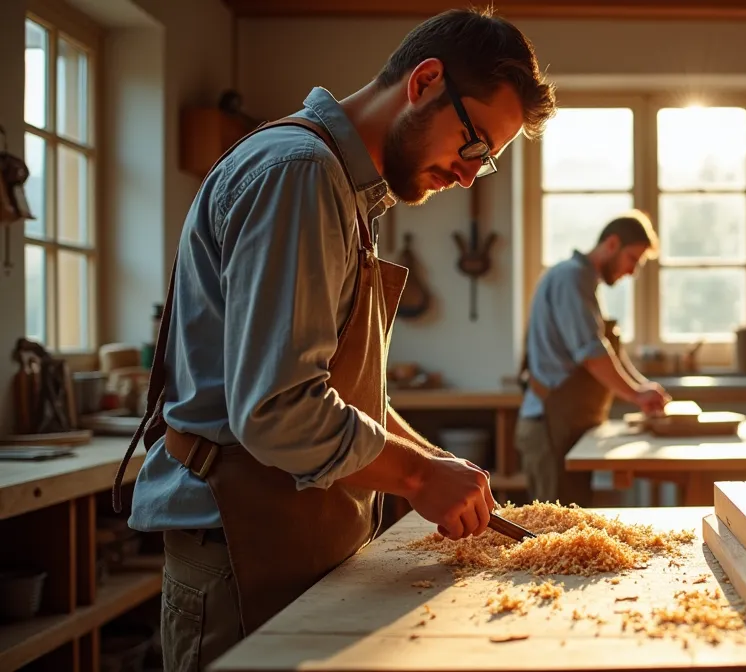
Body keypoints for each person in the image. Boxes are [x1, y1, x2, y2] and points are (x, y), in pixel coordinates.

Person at [110, 8, 557, 669]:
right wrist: (415, 473)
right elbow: (279, 410)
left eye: (484, 162)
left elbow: (342, 391)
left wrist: (438, 465)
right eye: (473, 145)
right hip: (242, 547)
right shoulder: (301, 172)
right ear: (426, 81)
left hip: (285, 534)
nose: (468, 175)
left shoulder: (344, 187)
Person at [517, 211, 671, 508]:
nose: (633, 271)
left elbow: (607, 350)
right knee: (556, 534)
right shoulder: (571, 277)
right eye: (633, 259)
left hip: (567, 424)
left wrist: (642, 386)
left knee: (571, 523)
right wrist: (637, 394)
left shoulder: (584, 282)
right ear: (612, 244)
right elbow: (592, 354)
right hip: (548, 427)